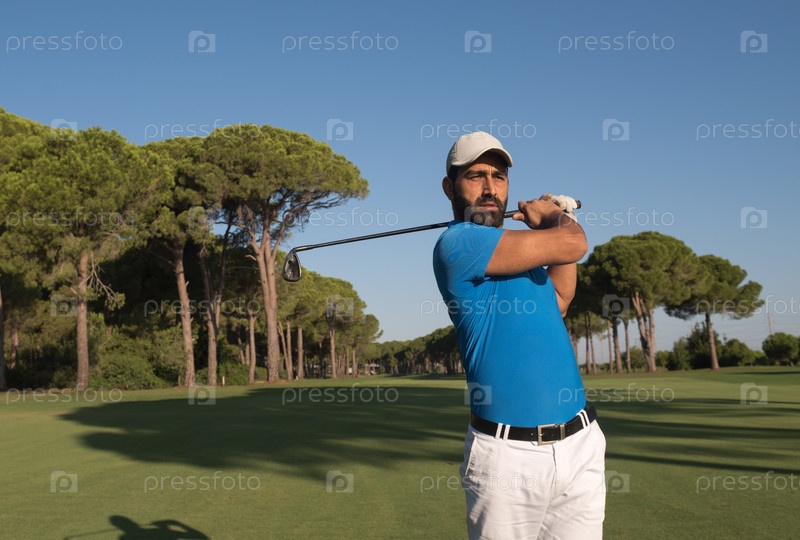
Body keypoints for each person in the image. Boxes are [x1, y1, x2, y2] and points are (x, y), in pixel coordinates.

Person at [432, 131, 606, 539]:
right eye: (475, 176)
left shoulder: (523, 252)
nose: (490, 188)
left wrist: (559, 217)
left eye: (499, 176)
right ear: (450, 188)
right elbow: (573, 243)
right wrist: (552, 217)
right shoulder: (459, 243)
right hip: (507, 457)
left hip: (580, 443)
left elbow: (560, 298)